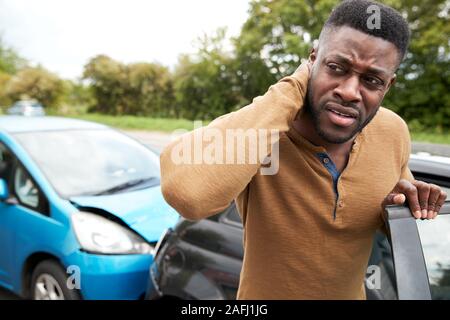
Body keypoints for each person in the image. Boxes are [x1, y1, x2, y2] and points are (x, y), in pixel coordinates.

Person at [160, 0, 447, 299]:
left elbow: (402, 229)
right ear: (312, 60)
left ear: (387, 86)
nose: (349, 92)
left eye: (371, 80)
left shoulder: (393, 131)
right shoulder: (264, 128)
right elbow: (188, 196)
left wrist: (399, 208)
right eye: (336, 67)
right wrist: (291, 89)